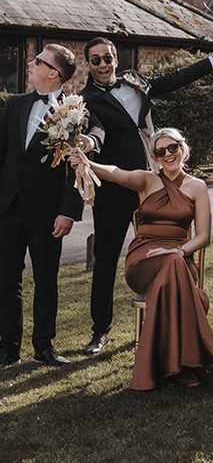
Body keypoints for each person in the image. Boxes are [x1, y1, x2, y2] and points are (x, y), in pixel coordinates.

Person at [80, 34, 213, 357]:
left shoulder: (136, 83)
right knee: (106, 258)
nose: (104, 64)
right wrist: (88, 147)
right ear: (88, 65)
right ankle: (100, 331)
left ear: (116, 59)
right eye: (96, 60)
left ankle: (177, 313)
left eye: (108, 57)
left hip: (156, 184)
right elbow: (95, 131)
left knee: (171, 247)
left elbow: (172, 81)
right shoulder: (86, 100)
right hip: (118, 187)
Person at [72, 128, 213, 390]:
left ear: (183, 149)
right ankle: (194, 361)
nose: (168, 155)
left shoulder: (197, 187)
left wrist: (179, 251)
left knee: (174, 264)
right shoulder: (147, 180)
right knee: (186, 283)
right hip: (143, 258)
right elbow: (116, 173)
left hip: (178, 257)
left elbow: (203, 237)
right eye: (160, 151)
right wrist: (89, 163)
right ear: (155, 157)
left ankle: (170, 367)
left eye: (173, 148)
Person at [0, 45, 101, 368]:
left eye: (38, 61)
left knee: (46, 280)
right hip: (8, 207)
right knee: (5, 279)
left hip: (48, 214)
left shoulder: (76, 113)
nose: (30, 63)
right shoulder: (15, 105)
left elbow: (79, 165)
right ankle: (8, 347)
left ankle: (44, 346)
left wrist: (69, 211)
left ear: (53, 72)